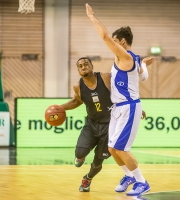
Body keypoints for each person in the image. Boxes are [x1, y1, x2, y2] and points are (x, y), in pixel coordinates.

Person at [86, 3, 151, 197]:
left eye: (115, 41)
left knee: (121, 148)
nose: (112, 44)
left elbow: (104, 36)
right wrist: (145, 65)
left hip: (128, 108)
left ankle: (142, 182)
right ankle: (129, 176)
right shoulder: (131, 59)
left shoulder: (126, 58)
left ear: (122, 42)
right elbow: (143, 76)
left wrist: (92, 18)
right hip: (118, 108)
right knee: (112, 148)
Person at [60, 56, 152, 192]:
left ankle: (87, 179)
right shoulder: (78, 86)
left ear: (92, 66)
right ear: (78, 70)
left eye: (86, 64)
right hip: (92, 124)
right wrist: (60, 108)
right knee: (80, 152)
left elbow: (121, 93)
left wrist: (137, 109)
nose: (84, 66)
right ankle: (81, 156)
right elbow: (76, 101)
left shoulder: (105, 78)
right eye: (80, 66)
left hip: (109, 126)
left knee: (98, 162)